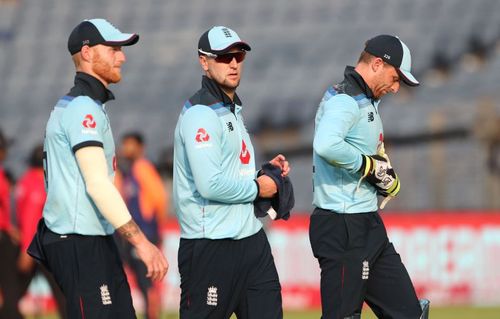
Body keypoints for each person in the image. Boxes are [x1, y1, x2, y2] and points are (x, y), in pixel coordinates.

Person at [28, 18, 168, 319]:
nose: (122, 56)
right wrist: (142, 243)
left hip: (93, 239)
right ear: (88, 53)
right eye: (114, 48)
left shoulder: (85, 106)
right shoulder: (83, 109)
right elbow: (98, 184)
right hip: (79, 242)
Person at [173, 26, 290, 319]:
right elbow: (210, 184)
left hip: (251, 242)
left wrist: (267, 171)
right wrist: (258, 187)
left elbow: (231, 167)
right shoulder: (200, 113)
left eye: (238, 55)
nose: (234, 63)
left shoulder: (230, 109)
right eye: (224, 57)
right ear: (204, 61)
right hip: (210, 247)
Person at [309, 35, 429, 319]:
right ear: (377, 64)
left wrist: (382, 175)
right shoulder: (345, 99)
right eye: (395, 77)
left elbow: (367, 155)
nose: (397, 87)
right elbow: (326, 145)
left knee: (410, 314)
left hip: (367, 224)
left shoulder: (365, 99)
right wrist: (368, 167)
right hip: (342, 226)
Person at [115, 132, 167, 319]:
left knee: (147, 281)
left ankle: (152, 315)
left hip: (145, 232)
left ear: (140, 147)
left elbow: (159, 198)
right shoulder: (128, 171)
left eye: (130, 145)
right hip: (135, 233)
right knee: (140, 279)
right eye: (124, 145)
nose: (126, 149)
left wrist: (154, 227)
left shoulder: (142, 167)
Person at [15, 144, 67, 319]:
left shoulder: (24, 180)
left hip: (28, 244)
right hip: (41, 248)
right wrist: (26, 250)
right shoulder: (39, 183)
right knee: (64, 296)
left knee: (13, 295)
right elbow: (32, 218)